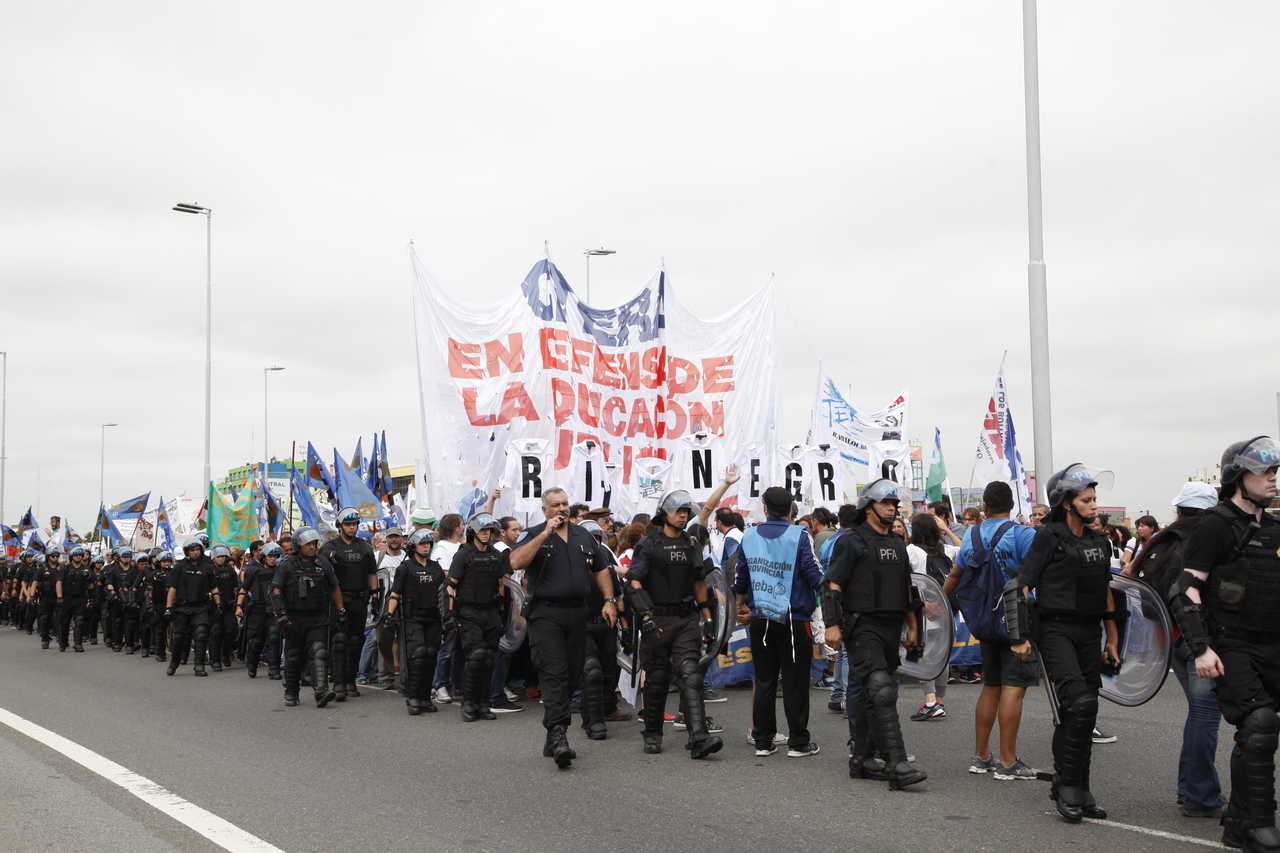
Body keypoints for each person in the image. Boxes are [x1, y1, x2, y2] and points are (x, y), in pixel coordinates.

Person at [1172, 437, 1280, 851]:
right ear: (1238, 476)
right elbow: (1186, 589)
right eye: (1263, 471)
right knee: (1259, 724)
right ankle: (1256, 824)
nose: (1272, 478)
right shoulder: (1215, 525)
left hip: (1271, 643)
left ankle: (1237, 820)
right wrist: (1201, 648)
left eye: (1274, 471)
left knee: (1259, 731)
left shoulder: (1273, 528)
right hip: (1230, 643)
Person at [1005, 464, 1120, 821]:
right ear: (1067, 504)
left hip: (1090, 631)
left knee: (1085, 711)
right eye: (1086, 500)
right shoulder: (1048, 537)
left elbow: (1107, 593)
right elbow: (1019, 586)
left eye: (1094, 499)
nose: (1094, 505)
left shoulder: (1100, 542)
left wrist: (1113, 639)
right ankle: (1068, 786)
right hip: (1055, 630)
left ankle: (1078, 786)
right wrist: (1019, 637)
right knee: (1079, 703)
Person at [1126, 481, 1223, 817]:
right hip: (1199, 639)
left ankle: (1191, 788)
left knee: (1199, 714)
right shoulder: (1207, 541)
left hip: (1169, 637)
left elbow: (1129, 574)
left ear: (1179, 510)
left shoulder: (1162, 539)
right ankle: (1200, 796)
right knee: (1206, 716)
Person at [823, 479, 927, 789]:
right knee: (881, 688)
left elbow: (907, 588)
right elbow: (832, 584)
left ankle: (862, 759)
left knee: (874, 694)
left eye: (894, 503)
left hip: (891, 627)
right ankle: (897, 763)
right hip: (862, 625)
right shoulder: (852, 541)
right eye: (885, 503)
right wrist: (832, 624)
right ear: (868, 507)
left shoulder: (897, 543)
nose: (892, 508)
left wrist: (914, 627)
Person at [509, 487, 616, 769]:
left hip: (578, 613)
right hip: (546, 614)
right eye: (556, 505)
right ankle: (559, 735)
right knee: (553, 672)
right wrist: (546, 533)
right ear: (545, 510)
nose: (562, 509)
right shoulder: (533, 533)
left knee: (571, 675)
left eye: (565, 503)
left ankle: (552, 732)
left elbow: (601, 568)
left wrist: (609, 600)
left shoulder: (583, 535)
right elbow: (516, 562)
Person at [942, 481, 1041, 780]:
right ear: (1012, 505)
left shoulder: (971, 535)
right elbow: (1036, 576)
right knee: (1014, 687)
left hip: (984, 619)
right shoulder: (1024, 534)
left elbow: (956, 576)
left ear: (984, 507)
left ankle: (981, 756)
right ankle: (1007, 762)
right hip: (1017, 621)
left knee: (991, 685)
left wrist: (936, 604)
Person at [626, 491, 723, 759]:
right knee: (657, 677)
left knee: (691, 673)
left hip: (685, 618)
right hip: (656, 619)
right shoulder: (648, 544)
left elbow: (700, 583)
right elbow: (634, 581)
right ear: (664, 514)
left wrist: (709, 620)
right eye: (678, 511)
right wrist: (645, 615)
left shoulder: (691, 544)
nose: (682, 515)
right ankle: (653, 733)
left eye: (685, 512)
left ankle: (699, 737)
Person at [736, 485, 825, 760]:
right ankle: (798, 742)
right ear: (790, 510)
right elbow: (814, 573)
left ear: (765, 507)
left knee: (764, 680)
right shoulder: (800, 534)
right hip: (793, 617)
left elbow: (741, 576)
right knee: (795, 681)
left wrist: (740, 606)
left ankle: (763, 741)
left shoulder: (749, 535)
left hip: (759, 617)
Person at [446, 513, 512, 722]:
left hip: (491, 612)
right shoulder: (463, 555)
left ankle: (483, 703)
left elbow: (501, 586)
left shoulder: (496, 555)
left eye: (489, 530)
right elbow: (450, 585)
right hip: (469, 611)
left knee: (489, 658)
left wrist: (502, 616)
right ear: (473, 532)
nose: (486, 534)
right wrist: (449, 614)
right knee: (476, 656)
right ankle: (468, 702)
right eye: (482, 530)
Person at [271, 526, 346, 708]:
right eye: (308, 544)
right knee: (294, 655)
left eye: (314, 543)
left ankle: (321, 692)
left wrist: (341, 610)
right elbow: (276, 590)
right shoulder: (287, 565)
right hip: (294, 619)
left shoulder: (323, 564)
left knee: (319, 651)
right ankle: (291, 692)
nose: (312, 547)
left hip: (318, 617)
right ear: (299, 545)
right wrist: (280, 613)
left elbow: (334, 587)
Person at [319, 507, 380, 700]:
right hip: (337, 601)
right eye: (348, 524)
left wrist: (376, 598)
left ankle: (350, 681)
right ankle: (338, 684)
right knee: (339, 641)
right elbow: (322, 576)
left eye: (354, 524)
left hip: (359, 600)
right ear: (340, 526)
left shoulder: (364, 547)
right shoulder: (329, 548)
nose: (352, 527)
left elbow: (372, 573)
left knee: (355, 641)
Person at [384, 528, 445, 715]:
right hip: (412, 618)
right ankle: (413, 697)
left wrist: (448, 615)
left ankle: (425, 698)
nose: (426, 547)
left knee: (430, 655)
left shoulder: (436, 568)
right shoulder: (405, 568)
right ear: (413, 546)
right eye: (422, 544)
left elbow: (444, 594)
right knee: (418, 655)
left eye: (428, 544)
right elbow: (395, 593)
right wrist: (389, 615)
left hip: (433, 617)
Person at [906, 513, 957, 722]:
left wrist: (922, 604)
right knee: (941, 657)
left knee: (919, 655)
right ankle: (939, 702)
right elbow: (966, 551)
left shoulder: (911, 550)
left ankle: (930, 702)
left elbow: (906, 580)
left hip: (922, 610)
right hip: (944, 610)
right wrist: (947, 530)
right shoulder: (946, 549)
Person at [577, 520, 624, 738]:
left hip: (606, 626)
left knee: (608, 672)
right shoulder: (572, 569)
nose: (594, 543)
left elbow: (618, 597)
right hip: (582, 626)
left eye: (597, 539)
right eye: (590, 539)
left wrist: (627, 629)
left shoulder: (607, 569)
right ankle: (593, 721)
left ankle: (608, 709)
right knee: (591, 671)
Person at [165, 538, 223, 677]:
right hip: (182, 608)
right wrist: (168, 608)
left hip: (200, 607)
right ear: (187, 552)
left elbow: (214, 588)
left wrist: (218, 605)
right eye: (192, 550)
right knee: (178, 637)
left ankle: (199, 665)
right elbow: (172, 589)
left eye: (197, 550)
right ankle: (174, 663)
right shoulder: (179, 568)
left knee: (202, 634)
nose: (195, 552)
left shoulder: (207, 567)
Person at [430, 514, 466, 705]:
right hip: (447, 603)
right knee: (447, 647)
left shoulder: (459, 546)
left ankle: (458, 684)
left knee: (460, 647)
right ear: (455, 527)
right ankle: (440, 685)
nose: (464, 527)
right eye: (462, 524)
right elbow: (446, 576)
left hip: (461, 602)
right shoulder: (442, 548)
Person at [237, 542, 283, 679]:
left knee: (274, 637)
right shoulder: (254, 572)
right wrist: (238, 606)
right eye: (270, 556)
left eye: (275, 556)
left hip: (274, 610)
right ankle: (252, 665)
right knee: (257, 640)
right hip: (257, 610)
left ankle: (274, 669)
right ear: (264, 557)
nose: (273, 559)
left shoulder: (280, 571)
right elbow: (244, 590)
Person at [370, 527, 406, 690]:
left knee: (405, 640)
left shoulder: (407, 557)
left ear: (402, 539)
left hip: (403, 604)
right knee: (383, 641)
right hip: (383, 604)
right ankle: (386, 677)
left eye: (396, 537)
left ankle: (406, 677)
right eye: (391, 537)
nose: (393, 540)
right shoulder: (377, 557)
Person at [207, 545, 239, 671]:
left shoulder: (230, 571)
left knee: (230, 631)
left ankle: (225, 653)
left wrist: (238, 602)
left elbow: (235, 587)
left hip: (229, 605)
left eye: (223, 556)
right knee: (216, 632)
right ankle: (215, 660)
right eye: (218, 557)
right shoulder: (209, 570)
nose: (221, 559)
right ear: (213, 558)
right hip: (213, 607)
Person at [55, 547, 93, 653]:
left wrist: (91, 599)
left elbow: (91, 585)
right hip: (67, 598)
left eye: (80, 555)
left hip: (80, 598)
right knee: (64, 622)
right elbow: (59, 582)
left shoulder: (86, 570)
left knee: (80, 621)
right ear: (72, 557)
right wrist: (59, 597)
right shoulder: (65, 569)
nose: (78, 557)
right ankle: (63, 642)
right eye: (76, 555)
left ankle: (78, 644)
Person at [142, 551, 172, 662]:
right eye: (164, 562)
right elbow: (149, 591)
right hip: (159, 604)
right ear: (159, 563)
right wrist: (150, 605)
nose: (166, 564)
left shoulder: (174, 573)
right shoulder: (154, 575)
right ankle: (160, 653)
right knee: (160, 629)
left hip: (173, 604)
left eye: (168, 561)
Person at [122, 552, 149, 654]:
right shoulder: (131, 574)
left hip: (145, 602)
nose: (144, 566)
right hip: (133, 601)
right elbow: (125, 587)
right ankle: (130, 644)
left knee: (145, 625)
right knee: (131, 624)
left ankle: (146, 646)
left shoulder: (150, 573)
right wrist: (129, 599)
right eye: (141, 564)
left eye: (146, 564)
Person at [32, 550, 58, 649]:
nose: (55, 558)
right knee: (44, 618)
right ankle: (45, 639)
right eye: (53, 556)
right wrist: (32, 596)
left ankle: (61, 638)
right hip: (45, 597)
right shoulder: (42, 570)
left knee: (60, 618)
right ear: (48, 557)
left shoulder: (62, 568)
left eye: (57, 556)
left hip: (58, 597)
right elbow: (35, 582)